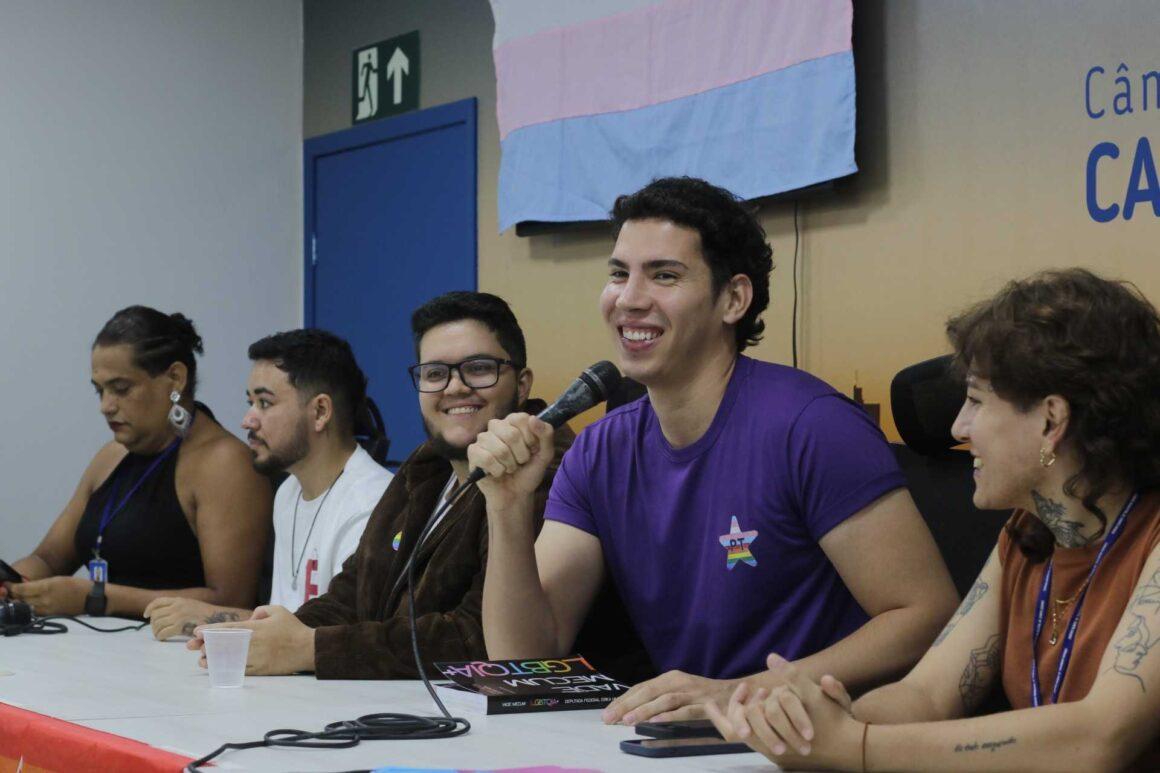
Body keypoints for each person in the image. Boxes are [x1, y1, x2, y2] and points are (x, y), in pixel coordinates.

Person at [471, 176, 959, 724]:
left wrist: (746, 692)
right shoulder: (597, 452)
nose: (629, 299)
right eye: (618, 273)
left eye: (663, 275)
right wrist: (508, 509)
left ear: (733, 299)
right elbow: (525, 663)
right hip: (686, 745)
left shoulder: (811, 426)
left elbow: (926, 615)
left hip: (821, 742)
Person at [706, 268, 1160, 771]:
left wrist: (856, 746)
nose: (958, 427)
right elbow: (926, 695)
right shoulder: (1027, 532)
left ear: (1052, 420)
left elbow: (1101, 739)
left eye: (976, 401)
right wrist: (825, 721)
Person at [186, 292, 576, 678]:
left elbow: (475, 638)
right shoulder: (428, 467)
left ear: (522, 384)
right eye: (435, 373)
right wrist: (276, 633)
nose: (455, 387)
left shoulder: (548, 470)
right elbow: (355, 591)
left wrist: (311, 648)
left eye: (478, 368)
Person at [1, 306, 271, 617]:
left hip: (184, 656)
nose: (105, 406)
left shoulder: (224, 463)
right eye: (99, 391)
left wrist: (97, 597)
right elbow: (48, 559)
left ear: (175, 379)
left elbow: (232, 600)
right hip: (103, 652)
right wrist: (14, 583)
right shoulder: (110, 457)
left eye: (120, 389)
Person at [144, 329, 392, 639]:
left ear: (320, 412)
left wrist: (211, 616)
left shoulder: (374, 505)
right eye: (250, 402)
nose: (247, 420)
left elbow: (343, 636)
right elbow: (285, 617)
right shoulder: (288, 491)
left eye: (264, 402)